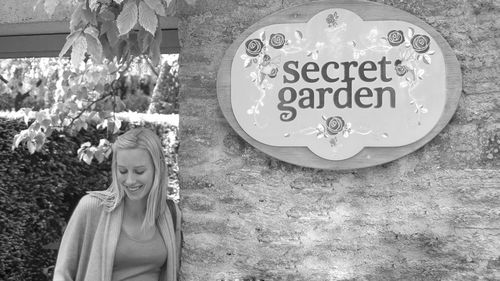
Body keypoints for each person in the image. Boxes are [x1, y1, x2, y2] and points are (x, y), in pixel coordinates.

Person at [53, 128, 182, 281]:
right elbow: (62, 274)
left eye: (139, 171)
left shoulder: (170, 213)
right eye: (122, 171)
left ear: (157, 169)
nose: (130, 180)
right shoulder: (92, 207)